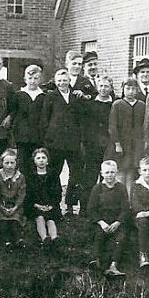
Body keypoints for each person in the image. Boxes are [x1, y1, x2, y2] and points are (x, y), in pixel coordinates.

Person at [42, 68, 86, 215]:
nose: (62, 83)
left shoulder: (75, 96)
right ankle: (54, 203)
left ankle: (70, 204)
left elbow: (80, 119)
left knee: (75, 173)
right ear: (55, 82)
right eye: (59, 80)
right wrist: (47, 138)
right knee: (54, 172)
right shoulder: (51, 96)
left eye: (65, 80)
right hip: (55, 142)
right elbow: (45, 119)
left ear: (69, 81)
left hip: (73, 142)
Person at [86, 160, 131, 276]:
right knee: (99, 235)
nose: (109, 175)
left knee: (120, 238)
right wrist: (101, 222)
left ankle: (114, 266)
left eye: (112, 172)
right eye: (107, 172)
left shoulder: (121, 188)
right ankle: (96, 261)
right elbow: (91, 209)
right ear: (102, 173)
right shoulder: (97, 188)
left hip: (117, 222)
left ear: (116, 172)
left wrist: (118, 222)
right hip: (102, 221)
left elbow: (125, 208)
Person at [106, 78, 146, 194]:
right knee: (121, 173)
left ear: (137, 90)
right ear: (123, 89)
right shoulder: (117, 104)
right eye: (128, 88)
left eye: (133, 88)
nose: (131, 91)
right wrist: (117, 144)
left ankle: (129, 202)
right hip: (122, 144)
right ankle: (118, 200)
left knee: (131, 174)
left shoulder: (141, 105)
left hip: (136, 145)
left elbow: (143, 125)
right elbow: (112, 126)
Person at [80, 76, 115, 207]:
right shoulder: (90, 105)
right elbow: (84, 125)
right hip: (92, 145)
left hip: (108, 146)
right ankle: (86, 207)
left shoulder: (114, 105)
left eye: (106, 86)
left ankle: (104, 206)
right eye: (101, 86)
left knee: (106, 177)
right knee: (89, 176)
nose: (103, 89)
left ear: (111, 88)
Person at [11, 64, 46, 173]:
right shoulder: (18, 95)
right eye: (30, 78)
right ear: (25, 79)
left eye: (36, 78)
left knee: (36, 163)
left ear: (40, 79)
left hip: (38, 137)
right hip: (22, 137)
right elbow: (13, 113)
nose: (32, 81)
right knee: (23, 164)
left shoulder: (44, 96)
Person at [25, 148, 62, 250]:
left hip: (50, 205)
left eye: (43, 158)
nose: (41, 160)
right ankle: (44, 238)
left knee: (50, 219)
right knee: (40, 218)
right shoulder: (30, 176)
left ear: (47, 160)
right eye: (38, 158)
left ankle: (54, 238)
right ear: (34, 161)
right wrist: (37, 205)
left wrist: (51, 205)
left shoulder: (53, 175)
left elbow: (57, 192)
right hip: (36, 205)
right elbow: (28, 195)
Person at [0, 149, 27, 250]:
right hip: (0, 206)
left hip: (15, 206)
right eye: (6, 163)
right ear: (2, 163)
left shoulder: (20, 177)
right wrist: (1, 207)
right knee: (3, 222)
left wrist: (15, 207)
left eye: (12, 163)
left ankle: (18, 240)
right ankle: (6, 241)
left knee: (15, 222)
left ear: (16, 163)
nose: (9, 165)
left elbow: (22, 194)